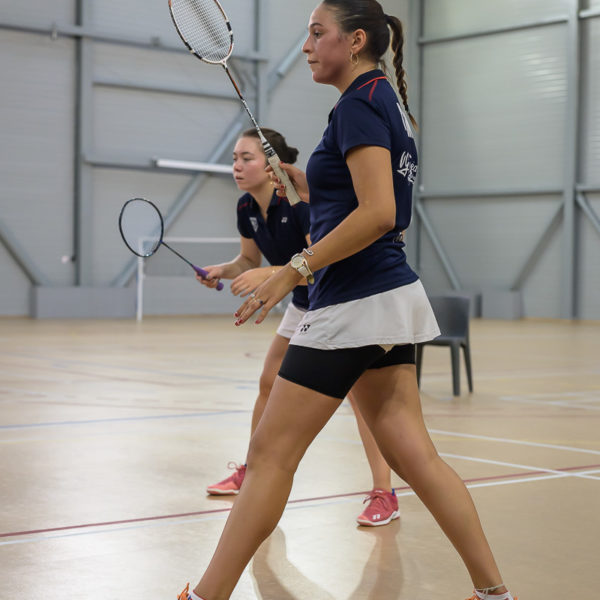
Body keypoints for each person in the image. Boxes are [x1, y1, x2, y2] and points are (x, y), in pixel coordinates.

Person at [179, 2, 517, 599]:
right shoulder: (382, 99)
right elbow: (367, 197)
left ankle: (206, 596)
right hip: (389, 296)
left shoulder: (358, 105)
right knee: (417, 458)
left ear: (356, 40)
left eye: (318, 33)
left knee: (270, 455)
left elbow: (379, 212)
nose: (307, 45)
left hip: (352, 301)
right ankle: (495, 594)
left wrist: (294, 269)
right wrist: (310, 184)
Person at [199, 126, 399, 527]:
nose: (237, 166)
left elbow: (321, 264)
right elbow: (249, 260)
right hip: (303, 303)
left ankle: (385, 492)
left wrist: (271, 275)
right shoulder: (246, 206)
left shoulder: (300, 205)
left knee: (361, 398)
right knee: (267, 382)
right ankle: (252, 470)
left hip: (336, 299)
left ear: (271, 165)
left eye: (247, 158)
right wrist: (224, 269)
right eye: (235, 159)